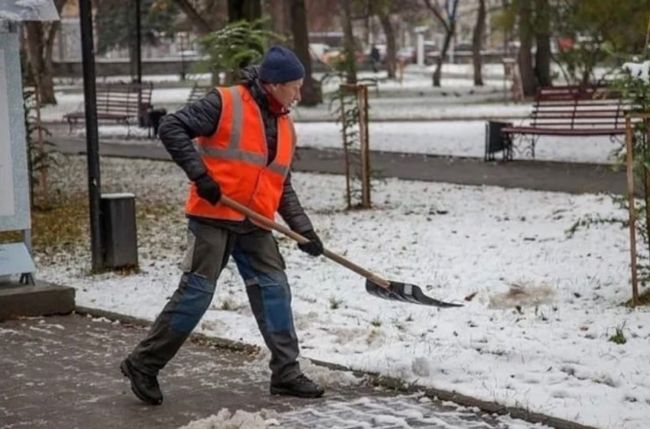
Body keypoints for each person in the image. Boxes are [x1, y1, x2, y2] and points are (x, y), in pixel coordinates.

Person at [120, 45, 326, 406]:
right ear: (274, 84)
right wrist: (201, 176)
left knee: (275, 289)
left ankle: (286, 373)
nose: (299, 92)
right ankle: (143, 363)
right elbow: (171, 126)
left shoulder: (284, 124)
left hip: (255, 222)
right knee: (197, 293)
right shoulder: (225, 102)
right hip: (213, 216)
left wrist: (304, 230)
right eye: (295, 85)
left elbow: (281, 184)